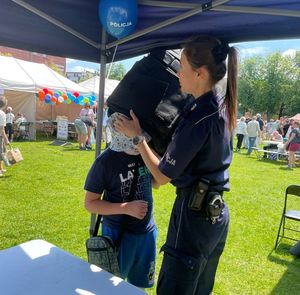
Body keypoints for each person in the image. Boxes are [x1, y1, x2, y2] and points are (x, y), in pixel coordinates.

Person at [115, 36, 238, 295]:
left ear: (200, 73)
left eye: (182, 67)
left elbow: (160, 177)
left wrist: (137, 136)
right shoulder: (219, 107)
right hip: (214, 215)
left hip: (193, 216)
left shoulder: (199, 117)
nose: (178, 73)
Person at [84, 112, 157, 290]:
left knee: (139, 287)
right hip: (117, 234)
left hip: (146, 232)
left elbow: (157, 182)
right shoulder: (105, 161)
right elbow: (90, 203)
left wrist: (147, 150)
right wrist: (125, 208)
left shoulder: (144, 152)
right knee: (110, 287)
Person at [0, 92, 10, 177]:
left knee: (1, 153)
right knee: (1, 153)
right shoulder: (2, 114)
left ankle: (1, 169)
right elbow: (2, 129)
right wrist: (6, 140)